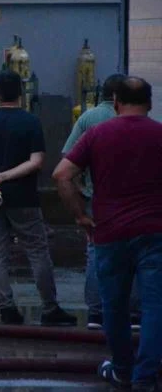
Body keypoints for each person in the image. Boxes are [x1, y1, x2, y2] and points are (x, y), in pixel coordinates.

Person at [53, 77, 162, 391]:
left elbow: (61, 175)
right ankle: (145, 377)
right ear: (149, 103)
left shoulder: (97, 134)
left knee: (114, 307)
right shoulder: (159, 133)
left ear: (115, 103)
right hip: (155, 233)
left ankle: (122, 370)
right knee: (155, 307)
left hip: (110, 233)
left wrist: (81, 216)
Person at [0, 70, 76, 326]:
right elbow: (36, 161)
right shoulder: (30, 122)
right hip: (24, 197)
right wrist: (6, 176)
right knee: (37, 251)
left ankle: (6, 308)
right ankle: (50, 308)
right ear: (20, 93)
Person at [61, 73, 141, 331]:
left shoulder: (88, 118)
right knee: (135, 252)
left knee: (96, 251)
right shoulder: (137, 119)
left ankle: (96, 313)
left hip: (96, 197)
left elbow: (66, 160)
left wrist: (80, 191)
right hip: (133, 198)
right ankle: (134, 313)